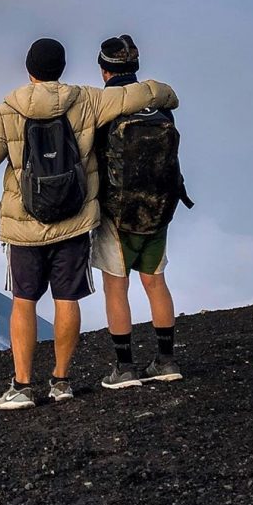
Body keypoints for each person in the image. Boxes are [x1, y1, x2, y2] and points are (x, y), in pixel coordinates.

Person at [0, 38, 178, 410]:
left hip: (23, 228)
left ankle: (22, 386)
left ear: (30, 71)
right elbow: (137, 96)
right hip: (73, 223)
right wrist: (167, 94)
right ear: (62, 68)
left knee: (23, 301)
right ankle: (61, 381)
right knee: (65, 299)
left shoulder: (8, 109)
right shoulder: (87, 100)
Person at [91, 35, 192, 390]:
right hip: (159, 209)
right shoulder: (161, 108)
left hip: (117, 213)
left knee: (116, 288)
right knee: (155, 282)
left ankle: (125, 368)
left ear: (104, 70)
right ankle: (166, 360)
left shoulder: (104, 108)